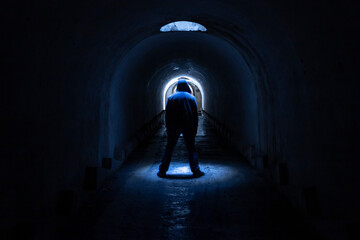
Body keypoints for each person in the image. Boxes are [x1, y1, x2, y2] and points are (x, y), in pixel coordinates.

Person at [157, 78, 205, 178]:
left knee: (169, 148)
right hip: (188, 126)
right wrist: (195, 128)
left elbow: (167, 114)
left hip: (174, 126)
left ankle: (162, 170)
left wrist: (167, 127)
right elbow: (195, 115)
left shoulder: (171, 98)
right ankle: (196, 170)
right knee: (191, 148)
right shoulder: (191, 98)